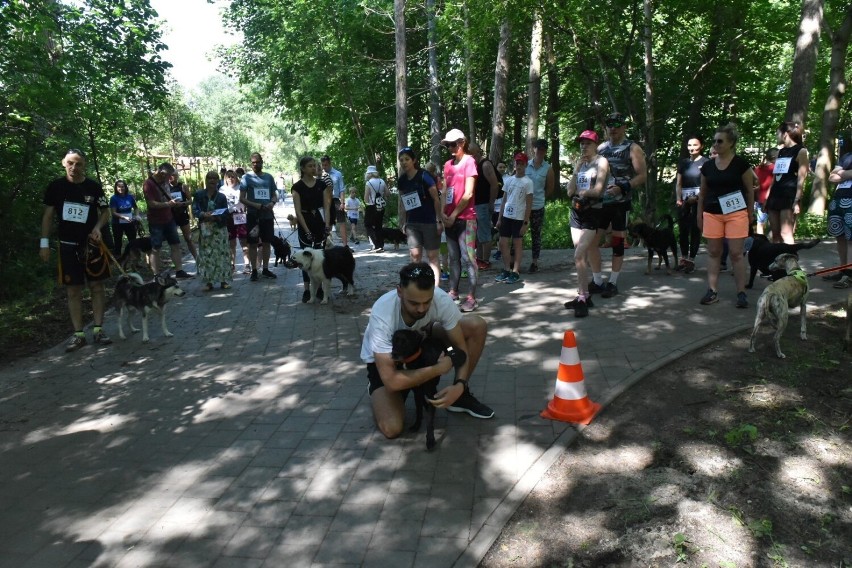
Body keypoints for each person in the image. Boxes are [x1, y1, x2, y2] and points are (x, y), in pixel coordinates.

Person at [361, 261, 494, 439]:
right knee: (392, 428)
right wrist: (438, 369)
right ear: (399, 291)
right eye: (414, 303)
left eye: (427, 302)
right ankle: (379, 388)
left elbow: (459, 349)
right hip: (389, 359)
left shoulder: (440, 299)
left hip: (419, 342)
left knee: (476, 325)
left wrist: (459, 385)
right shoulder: (383, 313)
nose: (422, 308)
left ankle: (460, 397)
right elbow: (391, 380)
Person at [40, 149, 113, 352]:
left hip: (92, 245)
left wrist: (98, 228)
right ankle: (79, 334)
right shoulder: (56, 187)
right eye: (70, 163)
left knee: (97, 286)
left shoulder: (93, 187)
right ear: (63, 163)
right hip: (68, 245)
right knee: (73, 290)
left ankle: (98, 329)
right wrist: (44, 243)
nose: (74, 167)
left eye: (78, 164)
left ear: (84, 165)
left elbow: (105, 211)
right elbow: (47, 216)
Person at [588, 112, 647, 298]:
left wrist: (623, 187)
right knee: (591, 242)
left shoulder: (632, 148)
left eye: (616, 124)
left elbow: (642, 175)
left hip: (620, 204)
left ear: (624, 127)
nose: (612, 128)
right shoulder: (601, 148)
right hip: (600, 203)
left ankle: (613, 282)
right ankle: (597, 280)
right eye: (609, 124)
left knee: (617, 242)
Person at [697, 123, 754, 308]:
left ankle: (742, 293)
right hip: (712, 213)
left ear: (731, 143)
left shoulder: (741, 164)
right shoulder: (707, 166)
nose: (716, 144)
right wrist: (700, 214)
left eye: (720, 141)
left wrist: (750, 213)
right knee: (714, 252)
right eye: (714, 141)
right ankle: (712, 291)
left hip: (736, 213)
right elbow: (703, 194)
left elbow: (749, 190)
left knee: (737, 254)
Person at [563, 131, 609, 317]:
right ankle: (583, 295)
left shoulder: (601, 162)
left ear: (595, 144)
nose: (583, 146)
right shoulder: (580, 163)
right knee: (579, 257)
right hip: (576, 212)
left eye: (587, 143)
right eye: (581, 143)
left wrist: (583, 194)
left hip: (592, 212)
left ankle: (583, 295)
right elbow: (569, 191)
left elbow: (598, 190)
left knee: (579, 254)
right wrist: (576, 170)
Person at [441, 128, 479, 312]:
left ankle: (472, 297)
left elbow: (468, 193)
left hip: (466, 219)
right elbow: (445, 191)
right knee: (453, 258)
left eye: (454, 144)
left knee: (468, 258)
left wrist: (454, 214)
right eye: (448, 145)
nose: (451, 148)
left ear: (462, 143)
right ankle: (453, 292)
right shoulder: (448, 165)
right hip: (450, 220)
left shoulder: (469, 162)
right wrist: (442, 213)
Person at [397, 147, 443, 287]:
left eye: (407, 159)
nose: (404, 163)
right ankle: (416, 287)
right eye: (401, 160)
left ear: (414, 161)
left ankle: (436, 289)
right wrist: (403, 222)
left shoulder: (424, 176)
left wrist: (438, 220)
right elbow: (403, 202)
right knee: (415, 256)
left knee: (432, 257)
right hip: (412, 223)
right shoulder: (402, 180)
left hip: (429, 222)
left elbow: (436, 199)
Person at [291, 156, 332, 302]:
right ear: (302, 168)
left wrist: (327, 224)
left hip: (318, 221)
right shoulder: (297, 187)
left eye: (315, 166)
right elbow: (298, 211)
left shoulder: (321, 184)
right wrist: (306, 230)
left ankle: (320, 288)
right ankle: (307, 290)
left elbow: (327, 206)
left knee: (320, 257)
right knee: (305, 256)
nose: (314, 168)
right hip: (305, 222)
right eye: (310, 166)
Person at [143, 163, 193, 279]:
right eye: (168, 176)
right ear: (161, 173)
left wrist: (175, 203)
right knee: (156, 248)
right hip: (156, 221)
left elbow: (168, 196)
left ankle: (179, 270)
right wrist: (167, 204)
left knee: (175, 244)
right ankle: (156, 275)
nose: (170, 178)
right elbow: (151, 203)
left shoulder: (165, 181)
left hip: (169, 218)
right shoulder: (148, 184)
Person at [494, 151, 533, 285]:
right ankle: (506, 269)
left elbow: (529, 204)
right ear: (514, 164)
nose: (519, 165)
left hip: (519, 217)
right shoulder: (509, 180)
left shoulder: (528, 182)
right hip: (506, 216)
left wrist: (525, 223)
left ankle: (515, 271)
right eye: (517, 162)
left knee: (517, 244)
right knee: (503, 242)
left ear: (526, 165)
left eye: (522, 163)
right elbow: (504, 200)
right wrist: (499, 218)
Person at [766, 121, 809, 244]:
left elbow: (802, 178)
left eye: (778, 133)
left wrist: (797, 200)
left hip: (789, 195)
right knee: (775, 233)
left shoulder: (801, 151)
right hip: (775, 195)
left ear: (785, 134)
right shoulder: (781, 151)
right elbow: (775, 176)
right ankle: (778, 261)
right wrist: (768, 197)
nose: (776, 135)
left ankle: (791, 261)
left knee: (786, 233)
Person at [239, 152, 278, 281]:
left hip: (267, 215)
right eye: (253, 163)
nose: (256, 165)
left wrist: (272, 203)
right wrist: (256, 205)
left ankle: (266, 269)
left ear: (262, 162)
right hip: (253, 215)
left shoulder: (269, 177)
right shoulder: (246, 178)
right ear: (251, 164)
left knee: (267, 242)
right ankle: (254, 270)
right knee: (253, 243)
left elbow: (274, 195)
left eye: (258, 162)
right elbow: (242, 199)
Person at [674, 136, 709, 273]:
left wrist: (698, 198)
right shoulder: (683, 163)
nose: (692, 148)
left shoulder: (706, 162)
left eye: (695, 145)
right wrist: (679, 198)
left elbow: (707, 184)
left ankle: (691, 260)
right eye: (689, 145)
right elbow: (678, 183)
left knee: (695, 230)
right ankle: (683, 258)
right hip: (684, 200)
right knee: (683, 231)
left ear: (701, 146)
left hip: (699, 201)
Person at [193, 171, 232, 291]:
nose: (212, 180)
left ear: (218, 181)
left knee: (222, 254)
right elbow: (194, 210)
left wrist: (216, 217)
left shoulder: (221, 196)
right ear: (206, 180)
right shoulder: (199, 194)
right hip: (205, 228)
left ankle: (223, 280)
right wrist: (203, 214)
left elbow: (226, 213)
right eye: (210, 178)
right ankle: (208, 282)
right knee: (206, 255)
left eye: (215, 178)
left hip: (219, 228)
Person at [469, 142, 501, 270]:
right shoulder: (472, 165)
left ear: (477, 152)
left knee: (485, 233)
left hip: (483, 204)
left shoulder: (485, 164)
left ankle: (486, 260)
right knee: (477, 234)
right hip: (473, 205)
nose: (469, 154)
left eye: (471, 152)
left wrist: (491, 203)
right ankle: (479, 258)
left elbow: (494, 185)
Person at [526, 139, 555, 273]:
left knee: (536, 234)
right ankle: (514, 261)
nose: (540, 151)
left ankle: (534, 262)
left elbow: (550, 188)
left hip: (538, 205)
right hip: (523, 205)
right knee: (518, 232)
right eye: (538, 148)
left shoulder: (548, 168)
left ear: (545, 151)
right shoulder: (525, 165)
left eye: (543, 149)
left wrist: (541, 197)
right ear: (534, 149)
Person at [826, 137, 852, 288]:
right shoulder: (846, 156)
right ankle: (842, 270)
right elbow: (831, 177)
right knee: (840, 236)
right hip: (838, 200)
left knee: (851, 239)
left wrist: (841, 173)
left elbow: (837, 175)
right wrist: (847, 173)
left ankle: (849, 274)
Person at [220, 170, 251, 274]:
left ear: (236, 177)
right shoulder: (222, 189)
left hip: (240, 216)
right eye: (228, 177)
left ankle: (247, 265)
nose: (231, 179)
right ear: (225, 179)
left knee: (244, 241)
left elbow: (246, 201)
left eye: (233, 177)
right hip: (228, 217)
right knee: (231, 242)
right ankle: (232, 265)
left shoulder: (241, 188)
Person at [167, 171, 199, 262]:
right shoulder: (165, 187)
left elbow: (190, 200)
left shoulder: (183, 187)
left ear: (177, 176)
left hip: (182, 214)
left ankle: (197, 260)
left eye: (173, 175)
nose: (171, 177)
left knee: (188, 238)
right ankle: (177, 263)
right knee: (173, 241)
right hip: (170, 216)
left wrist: (182, 204)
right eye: (169, 175)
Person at [321, 155, 348, 246]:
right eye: (323, 165)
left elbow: (342, 189)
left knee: (342, 222)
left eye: (326, 165)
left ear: (330, 163)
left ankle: (345, 246)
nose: (324, 167)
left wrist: (343, 202)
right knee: (326, 223)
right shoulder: (320, 175)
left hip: (335, 200)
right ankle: (325, 245)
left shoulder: (337, 174)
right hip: (324, 201)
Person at [109, 179, 139, 256]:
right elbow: (113, 213)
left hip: (129, 222)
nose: (121, 188)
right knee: (118, 242)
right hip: (117, 224)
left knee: (133, 241)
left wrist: (136, 215)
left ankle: (134, 259)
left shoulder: (130, 197)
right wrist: (124, 217)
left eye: (122, 187)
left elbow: (136, 208)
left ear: (125, 187)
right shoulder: (114, 198)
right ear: (116, 188)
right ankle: (118, 259)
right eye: (119, 187)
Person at [753, 148, 778, 236]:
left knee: (760, 223)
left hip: (760, 199)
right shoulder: (776, 168)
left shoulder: (758, 168)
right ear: (775, 157)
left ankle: (761, 243)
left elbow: (755, 184)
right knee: (774, 224)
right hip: (773, 199)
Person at [364, 165, 387, 252]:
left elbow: (366, 198)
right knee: (379, 225)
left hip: (371, 206)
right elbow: (387, 193)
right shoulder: (382, 181)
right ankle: (381, 245)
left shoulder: (368, 183)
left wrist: (369, 200)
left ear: (368, 174)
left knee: (368, 225)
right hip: (381, 206)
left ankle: (375, 245)